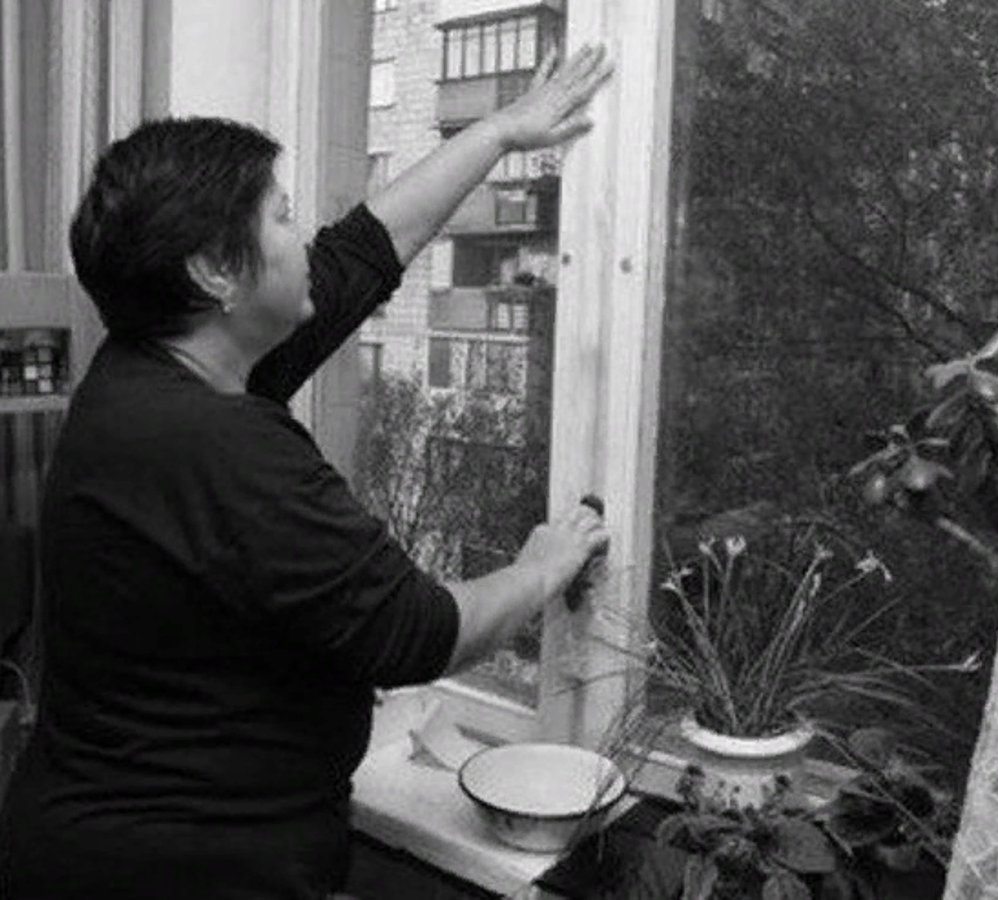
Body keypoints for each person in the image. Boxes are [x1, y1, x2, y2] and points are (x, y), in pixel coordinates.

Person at [0, 44, 613, 899]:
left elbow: (362, 252)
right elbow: (419, 632)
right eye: (283, 218)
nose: (302, 237)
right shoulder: (217, 445)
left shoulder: (154, 369)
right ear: (216, 273)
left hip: (97, 848)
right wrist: (543, 566)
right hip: (168, 877)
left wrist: (501, 132)